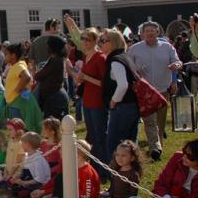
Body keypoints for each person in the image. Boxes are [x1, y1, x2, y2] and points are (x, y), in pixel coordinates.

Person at [128, 21, 182, 161]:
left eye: (153, 30)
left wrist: (176, 66)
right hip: (145, 91)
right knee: (149, 121)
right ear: (142, 33)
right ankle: (155, 148)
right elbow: (128, 66)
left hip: (163, 88)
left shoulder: (167, 47)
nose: (150, 33)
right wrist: (135, 71)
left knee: (160, 121)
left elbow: (177, 61)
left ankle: (159, 144)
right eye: (147, 31)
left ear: (158, 32)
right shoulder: (135, 49)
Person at [65, 25, 109, 176]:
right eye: (82, 39)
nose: (84, 42)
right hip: (87, 100)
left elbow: (105, 83)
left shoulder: (100, 58)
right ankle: (94, 165)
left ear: (95, 41)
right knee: (91, 134)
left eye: (87, 39)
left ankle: (102, 169)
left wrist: (86, 78)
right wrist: (72, 71)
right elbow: (81, 77)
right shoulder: (86, 57)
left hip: (97, 101)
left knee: (99, 135)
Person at [101, 28, 140, 162]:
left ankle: (117, 177)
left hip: (122, 107)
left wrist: (113, 101)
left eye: (104, 41)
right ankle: (131, 175)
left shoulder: (116, 60)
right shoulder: (125, 57)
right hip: (131, 106)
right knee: (130, 145)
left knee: (116, 146)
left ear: (113, 43)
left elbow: (123, 85)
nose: (101, 43)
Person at [34, 36, 69, 119]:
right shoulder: (56, 59)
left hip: (55, 98)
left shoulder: (56, 61)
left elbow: (38, 75)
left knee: (54, 127)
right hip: (53, 97)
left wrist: (37, 72)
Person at [9, 132, 50, 197]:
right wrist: (17, 176)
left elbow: (40, 179)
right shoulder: (27, 156)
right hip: (28, 181)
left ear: (28, 145)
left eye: (22, 143)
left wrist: (23, 183)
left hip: (39, 185)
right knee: (13, 186)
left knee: (22, 193)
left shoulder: (38, 160)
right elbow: (25, 170)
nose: (21, 145)